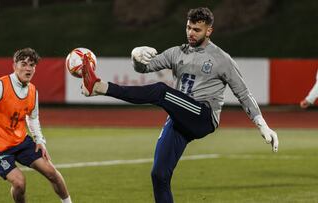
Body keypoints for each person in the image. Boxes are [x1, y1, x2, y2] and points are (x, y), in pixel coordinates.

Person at [81, 7, 278, 203]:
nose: (191, 33)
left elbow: (243, 92)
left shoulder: (222, 59)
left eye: (197, 30)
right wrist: (136, 59)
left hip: (203, 116)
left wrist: (262, 124)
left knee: (160, 91)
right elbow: (146, 67)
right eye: (188, 27)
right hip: (180, 118)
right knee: (158, 176)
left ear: (209, 31)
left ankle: (100, 87)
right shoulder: (177, 53)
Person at [0, 48, 72, 203]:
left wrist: (39, 140)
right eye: (23, 64)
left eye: (32, 65)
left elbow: (32, 117)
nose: (28, 68)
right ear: (14, 66)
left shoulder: (33, 90)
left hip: (21, 142)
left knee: (52, 173)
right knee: (19, 183)